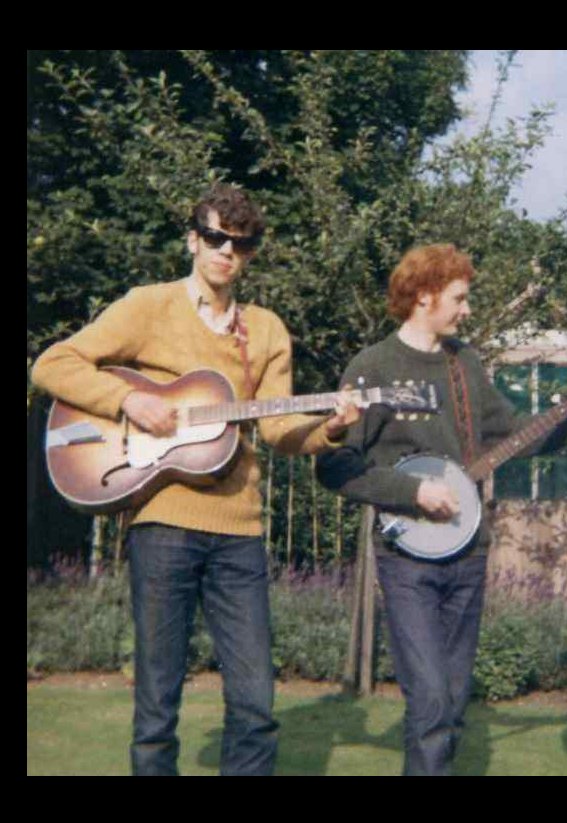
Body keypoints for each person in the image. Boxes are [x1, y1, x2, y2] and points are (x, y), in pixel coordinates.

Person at [31, 183, 360, 775]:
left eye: (240, 244)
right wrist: (128, 400)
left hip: (240, 531)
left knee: (256, 702)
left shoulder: (265, 330)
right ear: (193, 239)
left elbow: (281, 429)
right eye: (214, 238)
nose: (226, 253)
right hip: (164, 523)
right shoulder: (147, 305)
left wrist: (330, 428)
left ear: (251, 254)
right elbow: (52, 364)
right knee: (157, 704)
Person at [316, 243, 567, 776]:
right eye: (460, 298)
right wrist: (413, 494)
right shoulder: (373, 367)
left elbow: (519, 437)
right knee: (430, 701)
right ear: (424, 297)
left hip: (468, 553)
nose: (467, 309)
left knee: (451, 707)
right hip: (405, 559)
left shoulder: (465, 365)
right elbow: (334, 467)